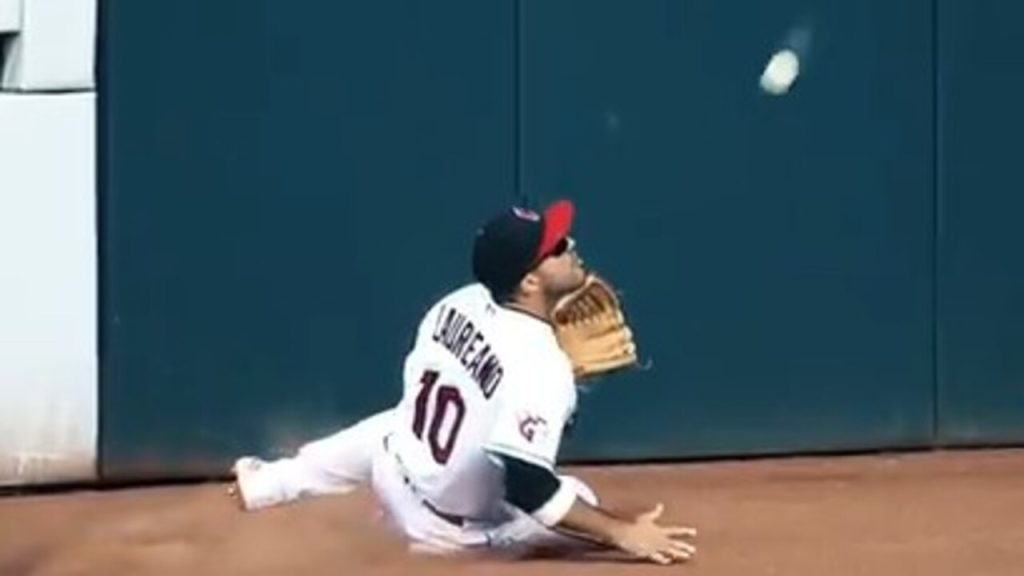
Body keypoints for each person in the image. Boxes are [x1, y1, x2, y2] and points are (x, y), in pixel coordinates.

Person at [230, 199, 697, 565]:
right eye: (556, 248)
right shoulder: (542, 366)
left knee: (397, 425)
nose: (570, 243)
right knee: (579, 499)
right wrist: (622, 532)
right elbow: (528, 487)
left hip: (394, 467)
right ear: (530, 283)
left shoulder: (459, 302)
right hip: (443, 531)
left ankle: (267, 483)